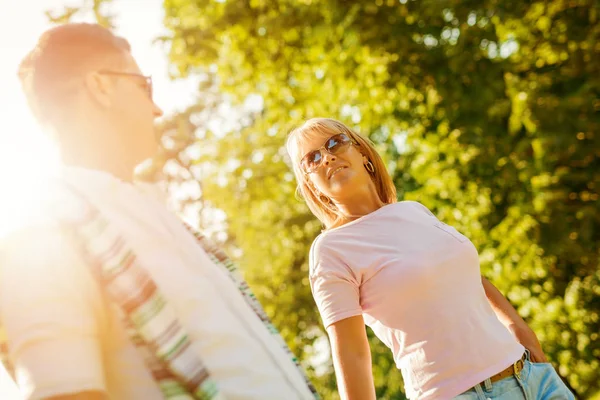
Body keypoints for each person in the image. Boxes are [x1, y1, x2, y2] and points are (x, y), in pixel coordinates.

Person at [0, 23, 318, 400]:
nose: (157, 107)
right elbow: (63, 393)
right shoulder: (41, 235)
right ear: (101, 86)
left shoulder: (163, 219)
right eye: (143, 85)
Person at [286, 117, 575, 400]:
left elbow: (468, 276)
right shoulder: (330, 250)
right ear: (311, 185)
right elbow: (352, 354)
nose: (326, 157)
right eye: (311, 158)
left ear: (362, 152)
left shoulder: (414, 210)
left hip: (532, 378)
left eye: (335, 143)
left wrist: (519, 328)